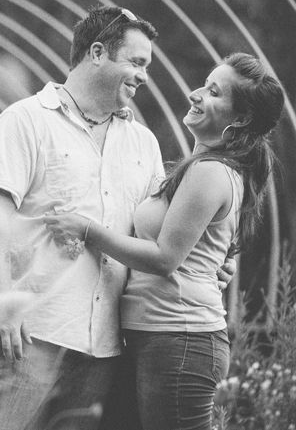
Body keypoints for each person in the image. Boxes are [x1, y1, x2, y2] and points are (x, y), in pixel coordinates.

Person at [43, 52, 284, 430]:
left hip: (180, 339)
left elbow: (163, 258)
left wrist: (87, 229)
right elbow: (203, 252)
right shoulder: (199, 170)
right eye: (205, 84)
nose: (195, 93)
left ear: (240, 119)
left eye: (214, 92)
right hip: (154, 336)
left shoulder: (211, 173)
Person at [0, 5, 163, 430]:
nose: (143, 76)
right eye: (136, 62)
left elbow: (155, 231)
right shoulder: (26, 120)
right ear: (97, 52)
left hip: (102, 349)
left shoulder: (144, 144)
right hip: (28, 334)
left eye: (147, 66)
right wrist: (0, 300)